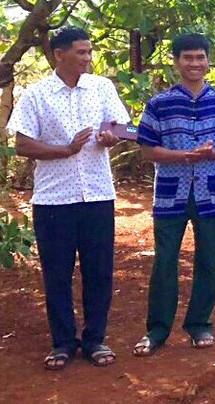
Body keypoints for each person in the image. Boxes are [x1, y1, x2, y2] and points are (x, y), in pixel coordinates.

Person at [8, 27, 130, 369]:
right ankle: (62, 343)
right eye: (81, 52)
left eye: (90, 52)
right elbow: (23, 145)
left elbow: (120, 128)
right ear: (59, 54)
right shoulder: (37, 94)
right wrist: (66, 149)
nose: (88, 58)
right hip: (53, 201)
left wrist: (111, 138)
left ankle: (95, 341)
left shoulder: (102, 87)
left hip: (97, 195)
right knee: (57, 273)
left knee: (99, 271)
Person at [133, 34, 215, 356]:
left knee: (208, 261)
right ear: (176, 62)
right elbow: (147, 150)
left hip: (213, 194)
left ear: (208, 61)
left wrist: (213, 154)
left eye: (200, 57)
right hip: (170, 196)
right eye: (187, 58)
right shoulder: (159, 104)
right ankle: (157, 330)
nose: (194, 63)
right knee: (165, 261)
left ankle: (199, 325)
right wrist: (182, 157)